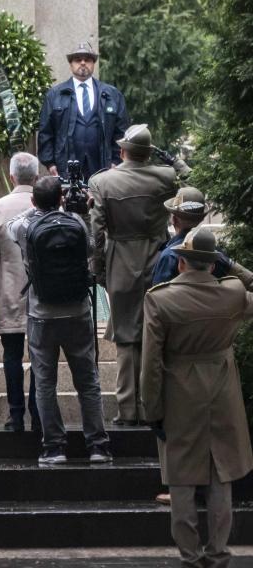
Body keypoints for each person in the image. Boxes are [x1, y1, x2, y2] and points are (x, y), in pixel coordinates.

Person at [141, 227, 253, 568]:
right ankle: (217, 552)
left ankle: (189, 556)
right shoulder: (232, 294)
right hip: (222, 391)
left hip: (179, 393)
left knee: (182, 480)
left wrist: (152, 409)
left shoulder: (160, 300)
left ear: (181, 264)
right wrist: (232, 264)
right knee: (221, 475)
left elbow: (151, 364)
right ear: (213, 264)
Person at [89, 124, 191, 426]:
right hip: (160, 259)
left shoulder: (103, 182)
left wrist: (98, 268)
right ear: (149, 153)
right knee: (154, 334)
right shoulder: (167, 177)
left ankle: (127, 409)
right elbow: (195, 186)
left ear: (122, 151)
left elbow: (97, 231)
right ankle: (152, 406)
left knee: (126, 338)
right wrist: (174, 160)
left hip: (120, 259)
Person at [8, 176, 110, 464]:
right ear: (61, 199)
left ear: (33, 201)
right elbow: (90, 247)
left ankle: (54, 448)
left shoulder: (26, 227)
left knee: (44, 382)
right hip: (77, 310)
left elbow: (9, 226)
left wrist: (37, 209)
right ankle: (98, 446)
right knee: (88, 381)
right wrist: (76, 211)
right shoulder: (76, 223)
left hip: (42, 314)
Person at [0, 152, 40, 432]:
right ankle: (38, 412)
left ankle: (15, 415)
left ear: (13, 176)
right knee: (41, 356)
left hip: (9, 289)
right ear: (37, 177)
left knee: (11, 355)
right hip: (43, 292)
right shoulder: (49, 204)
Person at [38, 41, 129, 181]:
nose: (82, 63)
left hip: (104, 167)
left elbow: (121, 132)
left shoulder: (112, 95)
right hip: (65, 167)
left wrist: (116, 162)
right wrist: (50, 163)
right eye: (77, 59)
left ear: (93, 64)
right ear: (70, 64)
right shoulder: (54, 95)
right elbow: (45, 132)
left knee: (100, 202)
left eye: (87, 59)